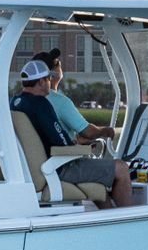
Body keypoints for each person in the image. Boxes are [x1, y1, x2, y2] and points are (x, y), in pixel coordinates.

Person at [12, 57, 129, 208]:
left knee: (97, 178)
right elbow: (63, 143)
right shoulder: (41, 104)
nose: (50, 82)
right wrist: (79, 146)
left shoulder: (15, 102)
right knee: (121, 168)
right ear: (41, 81)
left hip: (33, 168)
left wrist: (76, 142)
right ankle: (129, 218)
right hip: (59, 167)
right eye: (49, 78)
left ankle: (110, 217)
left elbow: (43, 137)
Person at [33, 49, 118, 148]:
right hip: (61, 156)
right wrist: (106, 131)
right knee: (117, 159)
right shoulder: (60, 102)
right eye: (59, 66)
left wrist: (75, 140)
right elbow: (89, 133)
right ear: (52, 74)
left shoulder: (27, 99)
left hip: (45, 153)